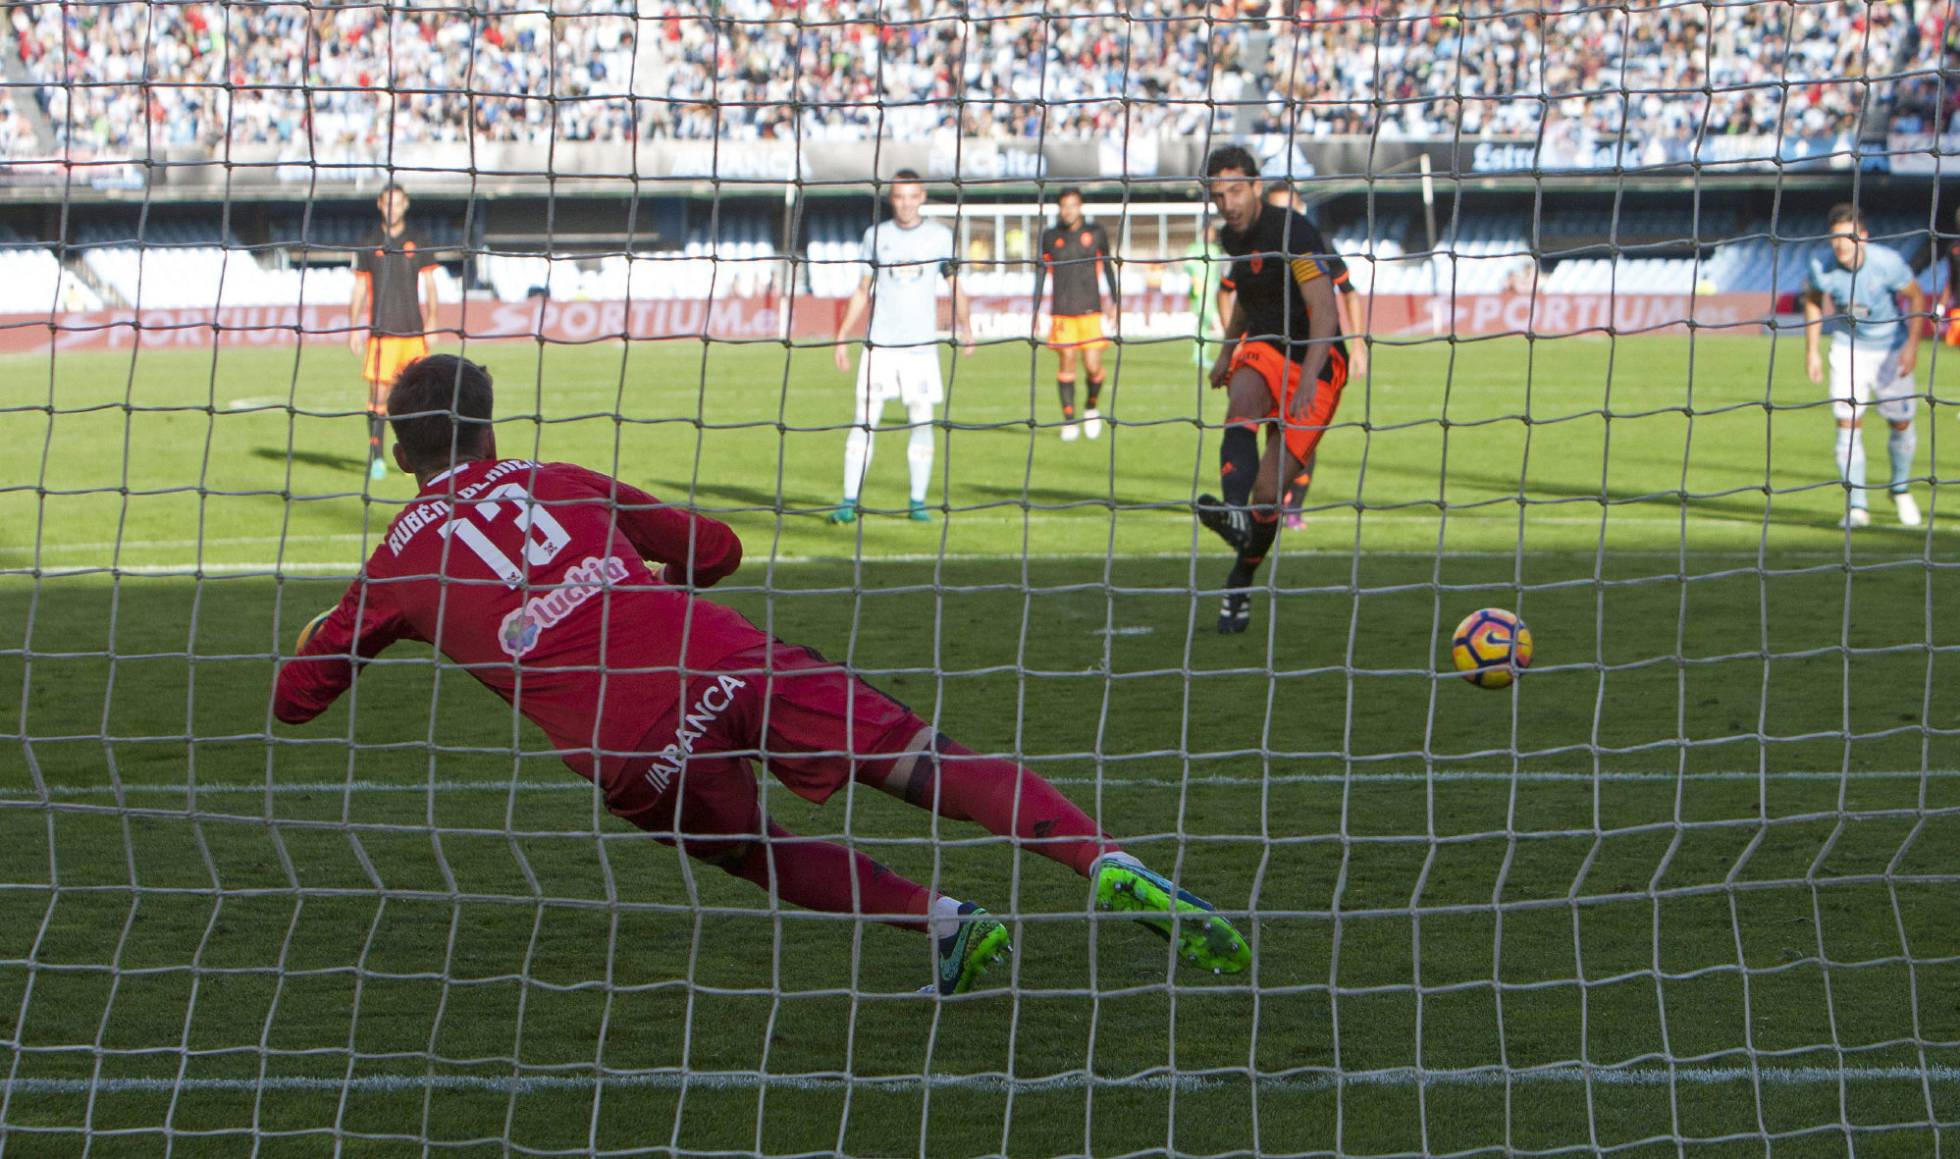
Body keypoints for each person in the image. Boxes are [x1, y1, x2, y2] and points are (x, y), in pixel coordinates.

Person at [273, 355, 1252, 994]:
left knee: (757, 852)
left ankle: (944, 919)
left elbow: (294, 702)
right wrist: (658, 575)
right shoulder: (551, 477)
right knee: (923, 759)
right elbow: (719, 546)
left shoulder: (395, 564)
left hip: (628, 744)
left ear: (402, 453)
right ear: (489, 431)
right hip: (722, 656)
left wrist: (337, 629)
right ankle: (1099, 858)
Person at [1195, 146, 1349, 635]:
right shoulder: (1231, 238)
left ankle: (1241, 578)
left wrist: (1308, 377)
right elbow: (1245, 291)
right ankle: (1234, 513)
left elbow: (1325, 310)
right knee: (1241, 396)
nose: (1229, 203)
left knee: (1269, 493)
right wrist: (1225, 351)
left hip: (1317, 360)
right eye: (1219, 195)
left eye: (1236, 190)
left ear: (1256, 187)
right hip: (1264, 342)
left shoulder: (1292, 232)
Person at [829, 170, 974, 524]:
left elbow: (955, 285)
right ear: (891, 199)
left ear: (922, 196)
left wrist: (967, 327)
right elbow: (864, 289)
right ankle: (849, 501)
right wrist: (843, 335)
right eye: (899, 196)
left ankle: (917, 502)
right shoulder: (875, 237)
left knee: (922, 423)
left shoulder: (940, 237)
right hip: (880, 346)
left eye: (912, 196)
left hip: (921, 349)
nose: (906, 203)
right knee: (863, 422)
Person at [1802, 203, 1926, 529]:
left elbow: (1916, 298)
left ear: (1864, 237)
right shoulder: (1822, 266)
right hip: (1848, 348)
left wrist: (1912, 347)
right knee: (1847, 423)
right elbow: (1813, 300)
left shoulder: (1888, 264)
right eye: (1835, 238)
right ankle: (1856, 505)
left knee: (1901, 423)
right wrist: (1812, 350)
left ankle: (1899, 489)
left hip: (1890, 349)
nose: (1841, 244)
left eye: (1847, 237)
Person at [1265, 182, 1368, 532]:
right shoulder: (1259, 248)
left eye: (1288, 211)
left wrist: (1357, 344)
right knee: (1274, 429)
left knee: (1303, 431)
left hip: (1318, 352)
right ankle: (1273, 502)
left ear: (1300, 210)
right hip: (1275, 351)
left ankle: (1293, 507)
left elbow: (1349, 293)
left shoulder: (1320, 244)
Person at [349, 182, 440, 483]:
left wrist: (433, 320)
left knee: (419, 399)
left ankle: (417, 456)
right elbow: (360, 287)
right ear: (380, 204)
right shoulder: (368, 241)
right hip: (381, 333)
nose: (393, 208)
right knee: (378, 397)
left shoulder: (419, 239)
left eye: (398, 203)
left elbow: (430, 285)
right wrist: (354, 328)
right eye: (388, 202)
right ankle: (376, 457)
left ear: (405, 205)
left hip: (414, 333)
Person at [1032, 188, 1120, 440]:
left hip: (1091, 310)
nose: (1069, 210)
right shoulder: (1050, 236)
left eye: (1073, 205)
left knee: (1093, 366)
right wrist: (1036, 309)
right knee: (1067, 362)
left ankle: (1091, 407)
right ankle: (1069, 420)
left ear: (1080, 207)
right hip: (1062, 312)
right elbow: (1040, 273)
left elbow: (1108, 268)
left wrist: (1115, 301)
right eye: (1064, 205)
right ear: (1059, 208)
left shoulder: (1095, 233)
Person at [1184, 223, 1232, 369]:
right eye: (1207, 232)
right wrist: (1196, 281)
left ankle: (1200, 355)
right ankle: (1199, 356)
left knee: (1205, 322)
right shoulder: (1193, 248)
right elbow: (1188, 265)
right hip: (1199, 291)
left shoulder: (1214, 249)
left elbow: (1216, 271)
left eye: (1211, 233)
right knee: (1204, 320)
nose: (1209, 235)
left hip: (1211, 291)